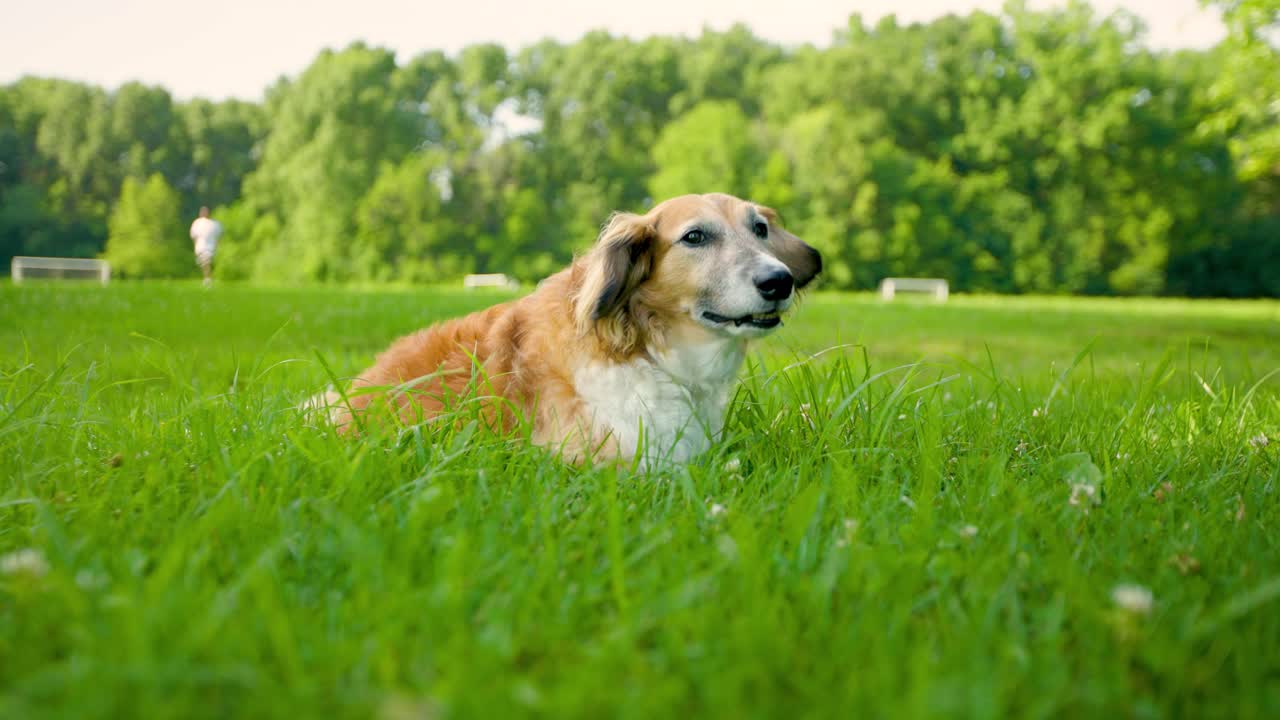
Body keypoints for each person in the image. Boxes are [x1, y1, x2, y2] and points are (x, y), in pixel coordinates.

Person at [190, 206, 223, 287]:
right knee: (205, 263)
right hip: (201, 247)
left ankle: (207, 279)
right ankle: (207, 278)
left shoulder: (214, 224)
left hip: (210, 247)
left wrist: (217, 244)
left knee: (206, 263)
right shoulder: (197, 223)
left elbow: (219, 235)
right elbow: (194, 236)